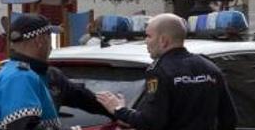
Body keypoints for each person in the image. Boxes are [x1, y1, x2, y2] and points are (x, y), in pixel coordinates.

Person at [96, 13, 236, 130]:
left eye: (149, 36)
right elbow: (229, 119)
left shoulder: (160, 71)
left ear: (163, 40)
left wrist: (119, 109)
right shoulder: (210, 68)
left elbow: (151, 122)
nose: (146, 41)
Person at [0, 13, 64, 129]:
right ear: (40, 40)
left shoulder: (8, 71)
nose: (51, 46)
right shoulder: (21, 78)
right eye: (49, 37)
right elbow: (24, 125)